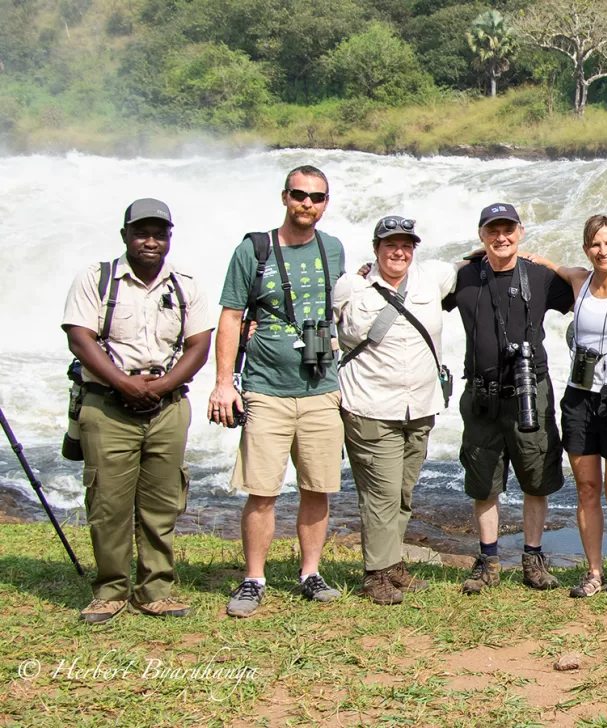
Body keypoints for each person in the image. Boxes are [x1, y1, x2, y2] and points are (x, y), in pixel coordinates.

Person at [61, 199, 214, 623]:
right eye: (142, 232)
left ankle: (155, 589)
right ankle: (110, 590)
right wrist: (123, 383)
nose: (151, 241)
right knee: (108, 503)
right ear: (125, 234)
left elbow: (198, 345)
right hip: (107, 405)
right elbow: (80, 338)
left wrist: (161, 385)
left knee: (162, 502)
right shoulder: (96, 279)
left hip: (167, 407)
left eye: (159, 233)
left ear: (169, 237)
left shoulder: (185, 285)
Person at [209, 166, 347, 618]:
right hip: (265, 389)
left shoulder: (334, 249)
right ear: (285, 196)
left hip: (321, 388)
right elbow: (231, 317)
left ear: (326, 203)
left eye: (318, 197)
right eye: (301, 195)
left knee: (317, 487)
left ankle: (310, 573)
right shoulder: (255, 250)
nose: (309, 203)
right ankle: (254, 579)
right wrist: (223, 383)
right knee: (262, 490)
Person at [450, 203, 575, 595]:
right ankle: (488, 561)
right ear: (481, 235)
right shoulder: (464, 277)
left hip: (530, 390)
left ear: (520, 232)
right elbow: (415, 289)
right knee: (483, 481)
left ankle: (533, 559)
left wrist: (550, 261)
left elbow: (588, 285)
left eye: (507, 230)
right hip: (481, 393)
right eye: (492, 231)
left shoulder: (539, 277)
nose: (500, 237)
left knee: (536, 477)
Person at [332, 216, 458, 605]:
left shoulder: (432, 277)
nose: (398, 252)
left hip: (419, 406)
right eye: (390, 245)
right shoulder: (351, 285)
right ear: (376, 248)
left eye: (406, 245)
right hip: (370, 405)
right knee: (380, 494)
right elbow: (322, 327)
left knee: (403, 492)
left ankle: (392, 563)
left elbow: (473, 263)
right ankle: (375, 574)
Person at [518, 215, 607, 599]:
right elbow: (539, 260)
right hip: (580, 397)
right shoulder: (579, 280)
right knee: (587, 489)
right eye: (595, 244)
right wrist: (485, 251)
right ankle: (593, 572)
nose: (602, 251)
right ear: (586, 249)